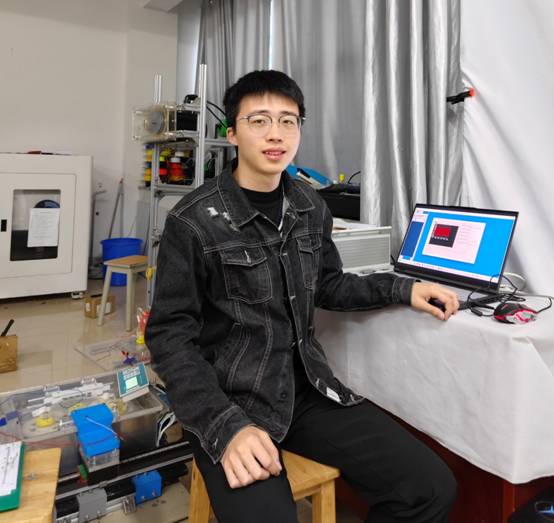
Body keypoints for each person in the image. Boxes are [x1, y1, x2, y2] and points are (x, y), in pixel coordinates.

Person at [145, 70, 459, 523]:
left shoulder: (311, 207)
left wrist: (403, 288)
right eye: (259, 120)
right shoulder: (193, 221)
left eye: (288, 121)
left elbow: (329, 283)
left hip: (305, 390)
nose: (276, 134)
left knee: (429, 489)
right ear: (232, 133)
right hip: (230, 399)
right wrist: (224, 427)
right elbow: (170, 337)